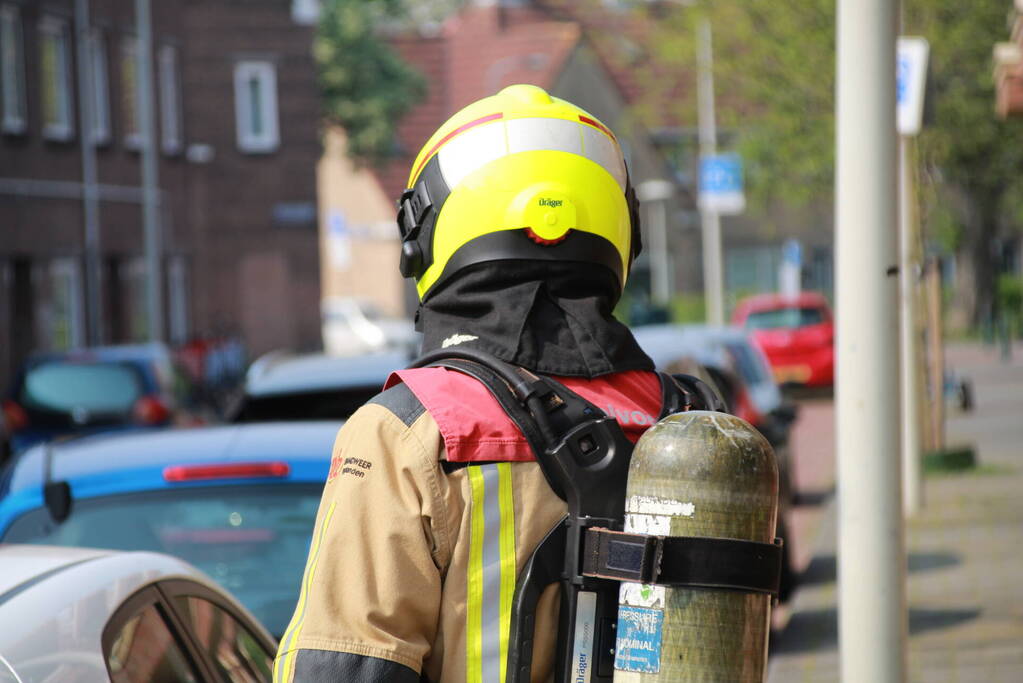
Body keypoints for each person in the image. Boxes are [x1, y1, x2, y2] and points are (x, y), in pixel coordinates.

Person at [273, 84, 679, 682]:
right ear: (623, 234)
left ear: (423, 239)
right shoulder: (693, 422)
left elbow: (344, 666)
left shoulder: (409, 431)